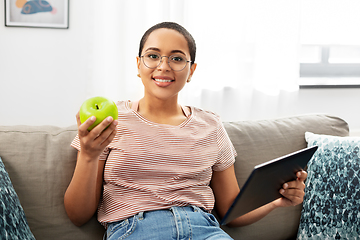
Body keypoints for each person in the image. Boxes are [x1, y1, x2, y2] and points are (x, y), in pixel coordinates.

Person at [64, 22, 307, 240]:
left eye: (177, 58)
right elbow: (78, 215)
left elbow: (232, 211)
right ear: (139, 65)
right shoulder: (109, 120)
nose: (164, 66)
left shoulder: (211, 125)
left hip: (205, 230)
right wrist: (88, 154)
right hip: (136, 231)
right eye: (153, 56)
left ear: (191, 71)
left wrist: (275, 201)